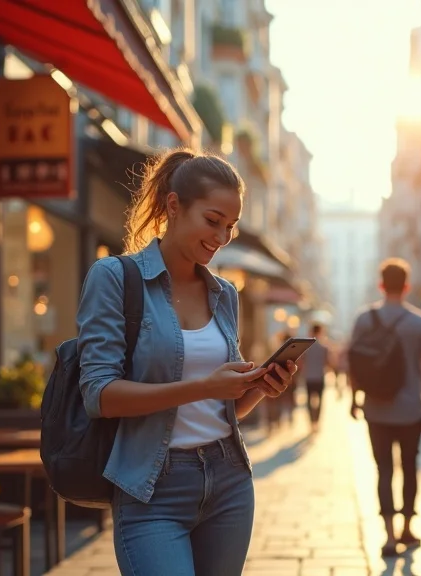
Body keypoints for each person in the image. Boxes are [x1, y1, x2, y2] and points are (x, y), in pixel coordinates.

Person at [76, 148, 298, 576]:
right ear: (174, 206)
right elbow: (99, 395)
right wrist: (204, 387)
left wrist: (257, 387)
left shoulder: (225, 294)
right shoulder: (114, 278)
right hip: (150, 489)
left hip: (228, 480)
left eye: (230, 226)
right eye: (212, 221)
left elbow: (222, 408)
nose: (221, 237)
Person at [349, 258, 421, 557]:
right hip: (411, 409)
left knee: (383, 470)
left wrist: (353, 399)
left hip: (375, 408)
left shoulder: (364, 319)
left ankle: (388, 536)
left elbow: (354, 363)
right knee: (410, 468)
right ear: (407, 286)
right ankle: (407, 529)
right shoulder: (420, 322)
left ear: (381, 284)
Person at [299, 323, 332, 431]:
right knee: (320, 401)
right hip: (320, 376)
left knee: (309, 400)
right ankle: (317, 421)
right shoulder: (324, 347)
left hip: (308, 376)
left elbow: (301, 362)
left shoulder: (306, 347)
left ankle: (311, 422)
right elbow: (328, 362)